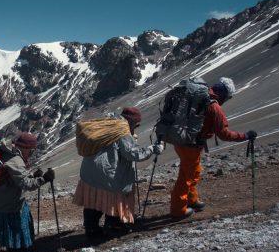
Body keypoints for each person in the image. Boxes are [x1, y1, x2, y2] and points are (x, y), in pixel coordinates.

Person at [170, 77, 257, 218]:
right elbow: (224, 134)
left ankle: (191, 200)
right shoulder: (215, 107)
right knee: (186, 176)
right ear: (224, 94)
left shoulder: (201, 97)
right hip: (191, 145)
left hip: (182, 140)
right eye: (228, 97)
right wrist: (245, 136)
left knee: (193, 171)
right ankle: (177, 210)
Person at [73, 107, 164, 240]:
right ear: (132, 122)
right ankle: (114, 225)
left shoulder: (107, 123)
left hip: (89, 171)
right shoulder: (122, 130)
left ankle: (91, 229)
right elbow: (133, 154)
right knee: (114, 198)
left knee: (93, 202)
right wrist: (153, 149)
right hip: (107, 174)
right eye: (136, 125)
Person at [0, 132, 54, 252]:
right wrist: (44, 179)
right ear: (26, 148)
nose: (31, 153)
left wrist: (33, 176)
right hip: (6, 203)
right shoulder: (16, 160)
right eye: (31, 150)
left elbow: (12, 177)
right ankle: (14, 248)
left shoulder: (3, 153)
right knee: (19, 215)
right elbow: (26, 184)